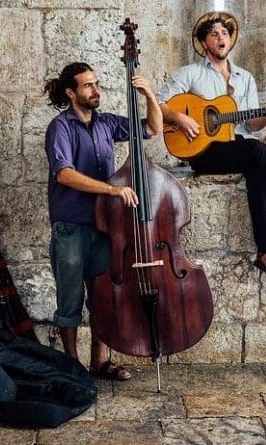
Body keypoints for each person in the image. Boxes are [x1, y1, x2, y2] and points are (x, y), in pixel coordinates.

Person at [156, 11, 266, 282]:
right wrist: (180, 117)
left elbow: (250, 125)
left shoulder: (245, 78)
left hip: (237, 146)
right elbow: (157, 105)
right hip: (202, 151)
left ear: (230, 41)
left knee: (259, 164)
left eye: (225, 34)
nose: (221, 38)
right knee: (257, 152)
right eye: (214, 34)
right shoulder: (190, 74)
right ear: (205, 43)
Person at [43, 62, 163, 380]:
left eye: (96, 84)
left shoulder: (106, 123)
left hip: (103, 228)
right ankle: (72, 366)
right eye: (88, 86)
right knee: (69, 300)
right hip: (71, 227)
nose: (96, 91)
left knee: (102, 298)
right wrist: (112, 189)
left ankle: (99, 362)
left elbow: (152, 128)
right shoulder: (61, 127)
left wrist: (149, 94)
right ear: (71, 93)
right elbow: (64, 174)